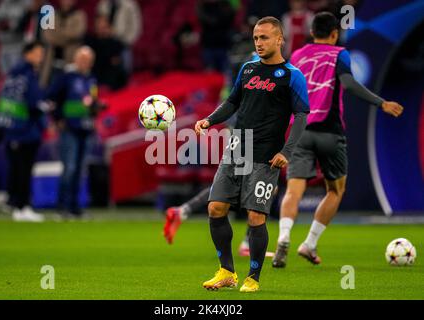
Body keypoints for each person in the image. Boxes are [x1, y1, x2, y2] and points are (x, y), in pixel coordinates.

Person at [271, 12, 404, 268]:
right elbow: (349, 84)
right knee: (336, 190)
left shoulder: (298, 55)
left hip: (301, 131)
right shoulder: (339, 54)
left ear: (312, 32)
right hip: (330, 131)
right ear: (334, 34)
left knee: (293, 191)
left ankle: (284, 237)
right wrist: (381, 103)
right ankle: (309, 243)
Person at [194, 16, 309, 292]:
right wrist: (209, 120)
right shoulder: (247, 70)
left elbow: (301, 115)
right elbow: (233, 101)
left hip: (266, 156)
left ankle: (253, 278)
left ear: (279, 40)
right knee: (215, 208)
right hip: (237, 149)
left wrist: (287, 151)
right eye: (256, 38)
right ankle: (226, 271)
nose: (259, 43)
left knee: (255, 217)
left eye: (265, 37)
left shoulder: (292, 75)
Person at [47, 46, 103, 219]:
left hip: (86, 128)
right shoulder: (66, 77)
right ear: (76, 59)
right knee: (69, 168)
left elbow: (91, 102)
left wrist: (96, 110)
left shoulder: (91, 79)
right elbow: (52, 98)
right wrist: (57, 120)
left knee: (80, 170)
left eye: (88, 60)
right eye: (82, 59)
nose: (85, 63)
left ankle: (74, 206)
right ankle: (62, 206)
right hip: (69, 128)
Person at [0, 41, 49, 222]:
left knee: (17, 169)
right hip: (26, 131)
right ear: (27, 54)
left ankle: (15, 204)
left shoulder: (11, 75)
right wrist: (45, 111)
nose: (40, 58)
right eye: (37, 53)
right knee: (24, 170)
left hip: (11, 128)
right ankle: (23, 206)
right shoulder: (28, 75)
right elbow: (34, 103)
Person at [163, 185, 277, 257]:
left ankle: (184, 210)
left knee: (225, 184)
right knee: (266, 189)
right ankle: (246, 245)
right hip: (252, 153)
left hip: (237, 151)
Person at [41, 0, 87, 87]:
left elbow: (77, 33)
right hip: (51, 59)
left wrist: (57, 34)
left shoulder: (80, 15)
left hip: (70, 59)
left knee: (67, 87)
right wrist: (66, 37)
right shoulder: (50, 12)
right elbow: (47, 35)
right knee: (48, 87)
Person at [0, 0, 29, 75]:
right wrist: (2, 24)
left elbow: (17, 25)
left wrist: (5, 24)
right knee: (4, 77)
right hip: (3, 47)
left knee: (17, 75)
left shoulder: (25, 3)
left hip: (17, 47)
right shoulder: (3, 3)